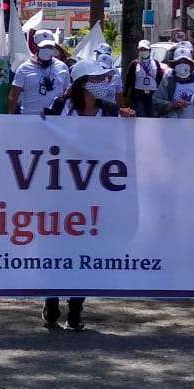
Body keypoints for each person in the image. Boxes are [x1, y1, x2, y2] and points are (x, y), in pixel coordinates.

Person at [38, 58, 122, 331]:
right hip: (59, 192)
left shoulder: (110, 112)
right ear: (81, 84)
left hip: (94, 193)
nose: (102, 85)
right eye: (96, 80)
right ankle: (51, 299)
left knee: (86, 250)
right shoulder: (60, 109)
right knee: (54, 248)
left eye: (103, 80)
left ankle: (76, 307)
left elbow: (120, 148)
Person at [7, 33, 71, 115]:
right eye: (44, 47)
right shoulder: (24, 68)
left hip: (56, 119)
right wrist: (10, 118)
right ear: (35, 47)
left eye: (50, 47)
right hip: (30, 118)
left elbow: (68, 93)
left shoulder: (62, 67)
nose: (47, 49)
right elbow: (13, 96)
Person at [155, 42, 194, 118]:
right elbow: (155, 102)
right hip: (172, 125)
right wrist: (172, 105)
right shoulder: (167, 82)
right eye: (179, 62)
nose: (182, 65)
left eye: (185, 62)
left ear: (191, 65)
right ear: (174, 65)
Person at [124, 40, 165, 117]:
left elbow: (159, 78)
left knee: (152, 114)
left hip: (153, 93)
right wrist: (125, 95)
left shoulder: (155, 63)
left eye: (145, 49)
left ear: (149, 50)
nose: (143, 51)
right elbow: (128, 80)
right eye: (141, 49)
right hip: (138, 93)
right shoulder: (134, 63)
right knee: (141, 114)